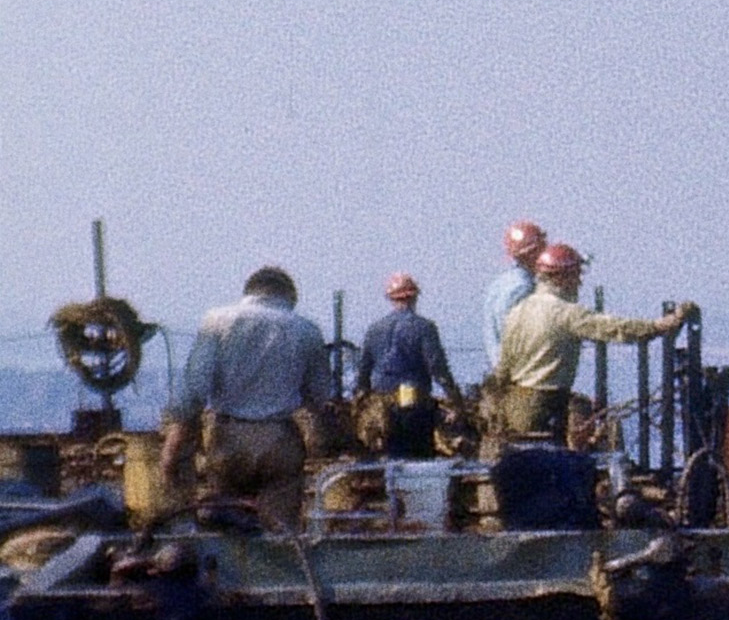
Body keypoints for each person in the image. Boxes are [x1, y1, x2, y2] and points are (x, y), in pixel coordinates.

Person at [161, 265, 332, 531]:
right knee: (280, 532)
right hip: (279, 438)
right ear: (289, 296)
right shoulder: (307, 330)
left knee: (227, 524)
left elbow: (194, 388)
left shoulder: (217, 321)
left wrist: (174, 444)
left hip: (229, 439)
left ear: (249, 291)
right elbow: (319, 395)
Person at [499, 243, 689, 438]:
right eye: (576, 275)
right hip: (545, 405)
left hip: (515, 405)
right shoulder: (565, 313)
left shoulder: (517, 312)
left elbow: (503, 368)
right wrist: (657, 326)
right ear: (561, 277)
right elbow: (613, 328)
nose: (579, 283)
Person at [356, 272, 464, 458]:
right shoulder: (424, 327)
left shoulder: (374, 329)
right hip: (413, 406)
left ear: (391, 299)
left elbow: (363, 372)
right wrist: (455, 399)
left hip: (382, 407)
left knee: (389, 458)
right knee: (418, 459)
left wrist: (361, 404)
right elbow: (437, 368)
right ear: (414, 298)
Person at [480, 219, 545, 376]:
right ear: (532, 253)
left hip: (498, 370)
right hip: (520, 373)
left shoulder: (499, 284)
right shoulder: (525, 287)